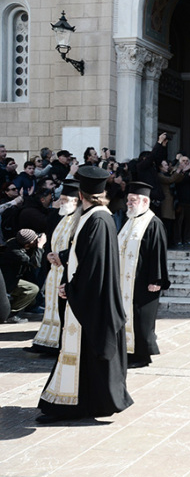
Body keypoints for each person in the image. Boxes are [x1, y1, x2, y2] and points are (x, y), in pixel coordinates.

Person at [38, 165, 133, 423]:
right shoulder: (95, 216)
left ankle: (74, 405)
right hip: (87, 295)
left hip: (92, 299)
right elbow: (84, 255)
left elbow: (94, 265)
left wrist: (71, 288)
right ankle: (84, 403)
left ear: (81, 195)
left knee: (85, 351)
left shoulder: (98, 219)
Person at [118, 182, 171, 369]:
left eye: (133, 200)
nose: (129, 204)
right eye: (128, 201)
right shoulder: (129, 221)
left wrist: (156, 280)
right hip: (126, 282)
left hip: (144, 282)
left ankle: (142, 356)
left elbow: (157, 253)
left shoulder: (153, 223)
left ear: (145, 201)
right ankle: (128, 352)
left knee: (141, 320)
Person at [28, 181, 81, 353]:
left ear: (75, 201)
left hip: (68, 269)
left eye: (65, 200)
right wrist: (49, 253)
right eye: (61, 199)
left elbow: (79, 246)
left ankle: (59, 342)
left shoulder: (81, 219)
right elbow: (52, 239)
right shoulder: (60, 217)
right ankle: (46, 341)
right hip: (54, 268)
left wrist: (61, 256)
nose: (61, 202)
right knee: (50, 305)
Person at [0, 228, 45, 317]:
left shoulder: (19, 243)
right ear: (28, 244)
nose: (37, 240)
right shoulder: (14, 251)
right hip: (7, 281)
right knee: (32, 289)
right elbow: (35, 264)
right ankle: (10, 313)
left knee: (34, 294)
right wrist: (39, 247)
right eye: (35, 240)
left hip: (15, 277)